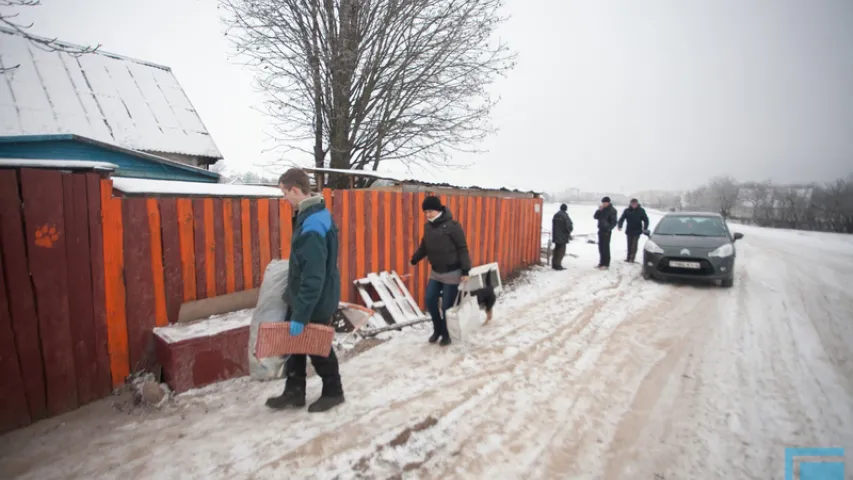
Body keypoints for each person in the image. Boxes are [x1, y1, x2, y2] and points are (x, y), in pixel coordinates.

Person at [266, 168, 344, 413]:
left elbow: (314, 276)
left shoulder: (312, 226)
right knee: (294, 344)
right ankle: (295, 391)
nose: (284, 198)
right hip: (301, 296)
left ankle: (334, 391)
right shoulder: (313, 212)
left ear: (296, 190)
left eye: (285, 193)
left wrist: (301, 314)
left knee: (317, 346)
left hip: (315, 300)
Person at [411, 196, 471, 346]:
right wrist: (415, 258)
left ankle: (446, 333)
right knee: (430, 300)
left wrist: (465, 270)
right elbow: (424, 247)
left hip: (452, 272)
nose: (428, 214)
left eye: (430, 211)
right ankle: (437, 330)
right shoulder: (428, 227)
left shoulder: (453, 226)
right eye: (426, 212)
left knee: (446, 306)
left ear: (438, 210)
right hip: (436, 272)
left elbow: (462, 249)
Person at [618, 198, 650, 263]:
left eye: (635, 204)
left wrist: (645, 228)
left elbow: (646, 220)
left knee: (634, 245)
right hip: (629, 230)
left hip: (637, 230)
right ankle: (628, 258)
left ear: (637, 204)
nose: (633, 205)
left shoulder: (641, 210)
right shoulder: (627, 210)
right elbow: (622, 218)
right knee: (629, 245)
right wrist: (620, 225)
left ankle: (632, 258)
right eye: (632, 204)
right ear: (630, 204)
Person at [593, 196, 618, 269]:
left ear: (608, 202)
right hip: (600, 230)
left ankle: (606, 264)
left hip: (606, 232)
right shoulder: (602, 209)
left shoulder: (612, 210)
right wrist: (599, 210)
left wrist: (608, 229)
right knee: (600, 247)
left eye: (605, 203)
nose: (603, 204)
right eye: (602, 202)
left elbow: (614, 222)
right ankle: (601, 263)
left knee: (605, 248)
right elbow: (595, 217)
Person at [551, 204, 573, 270]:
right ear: (566, 209)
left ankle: (554, 264)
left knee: (556, 249)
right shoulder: (565, 216)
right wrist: (568, 232)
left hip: (555, 235)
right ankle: (558, 265)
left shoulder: (556, 215)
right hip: (562, 236)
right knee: (561, 251)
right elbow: (569, 226)